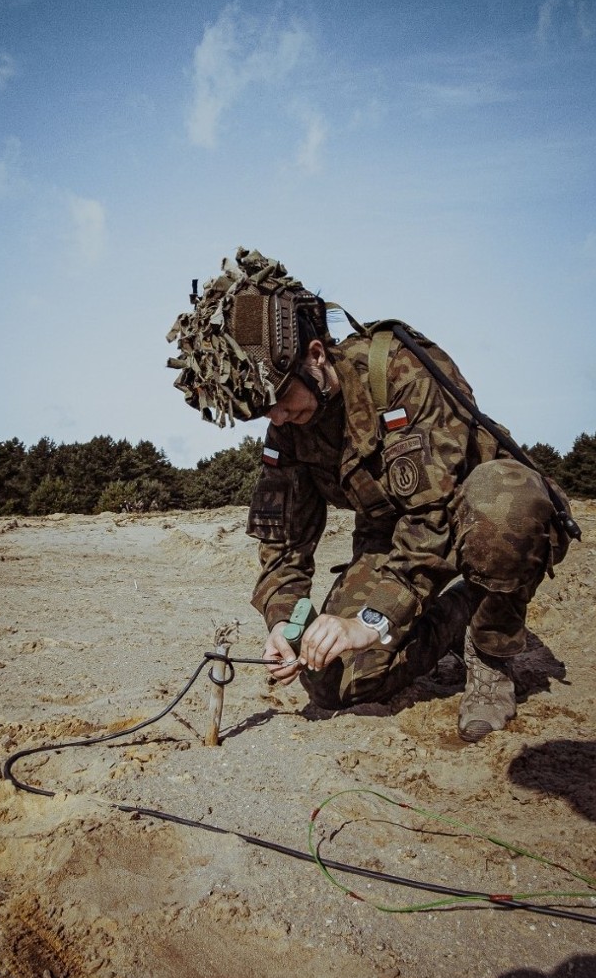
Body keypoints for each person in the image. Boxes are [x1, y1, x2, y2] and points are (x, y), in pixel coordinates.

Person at [167, 248, 574, 741]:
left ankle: (491, 655)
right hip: (394, 540)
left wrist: (372, 619)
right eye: (260, 414)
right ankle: (458, 610)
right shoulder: (289, 427)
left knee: (506, 501)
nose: (274, 419)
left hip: (471, 514)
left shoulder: (399, 372)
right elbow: (285, 545)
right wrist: (284, 623)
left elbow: (434, 517)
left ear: (315, 356)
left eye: (277, 401)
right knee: (334, 680)